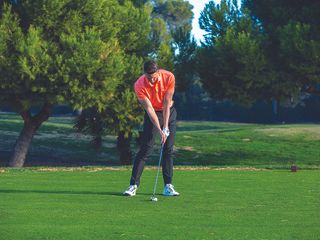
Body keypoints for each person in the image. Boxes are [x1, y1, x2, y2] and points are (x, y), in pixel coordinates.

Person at [123, 60, 180, 197]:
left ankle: (168, 186)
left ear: (158, 72)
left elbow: (166, 103)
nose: (152, 80)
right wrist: (159, 130)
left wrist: (165, 127)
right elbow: (149, 109)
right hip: (153, 114)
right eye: (149, 77)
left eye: (154, 77)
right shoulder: (139, 84)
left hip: (169, 112)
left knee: (168, 150)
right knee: (146, 149)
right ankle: (133, 185)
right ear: (144, 74)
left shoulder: (169, 77)